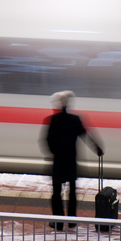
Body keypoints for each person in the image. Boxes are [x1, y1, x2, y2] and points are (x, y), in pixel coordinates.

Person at [41, 90, 103, 231]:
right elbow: (85, 136)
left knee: (57, 192)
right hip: (70, 160)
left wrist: (54, 152)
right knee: (72, 191)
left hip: (58, 160)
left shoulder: (53, 120)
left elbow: (46, 140)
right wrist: (98, 149)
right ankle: (72, 220)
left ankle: (58, 222)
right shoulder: (75, 120)